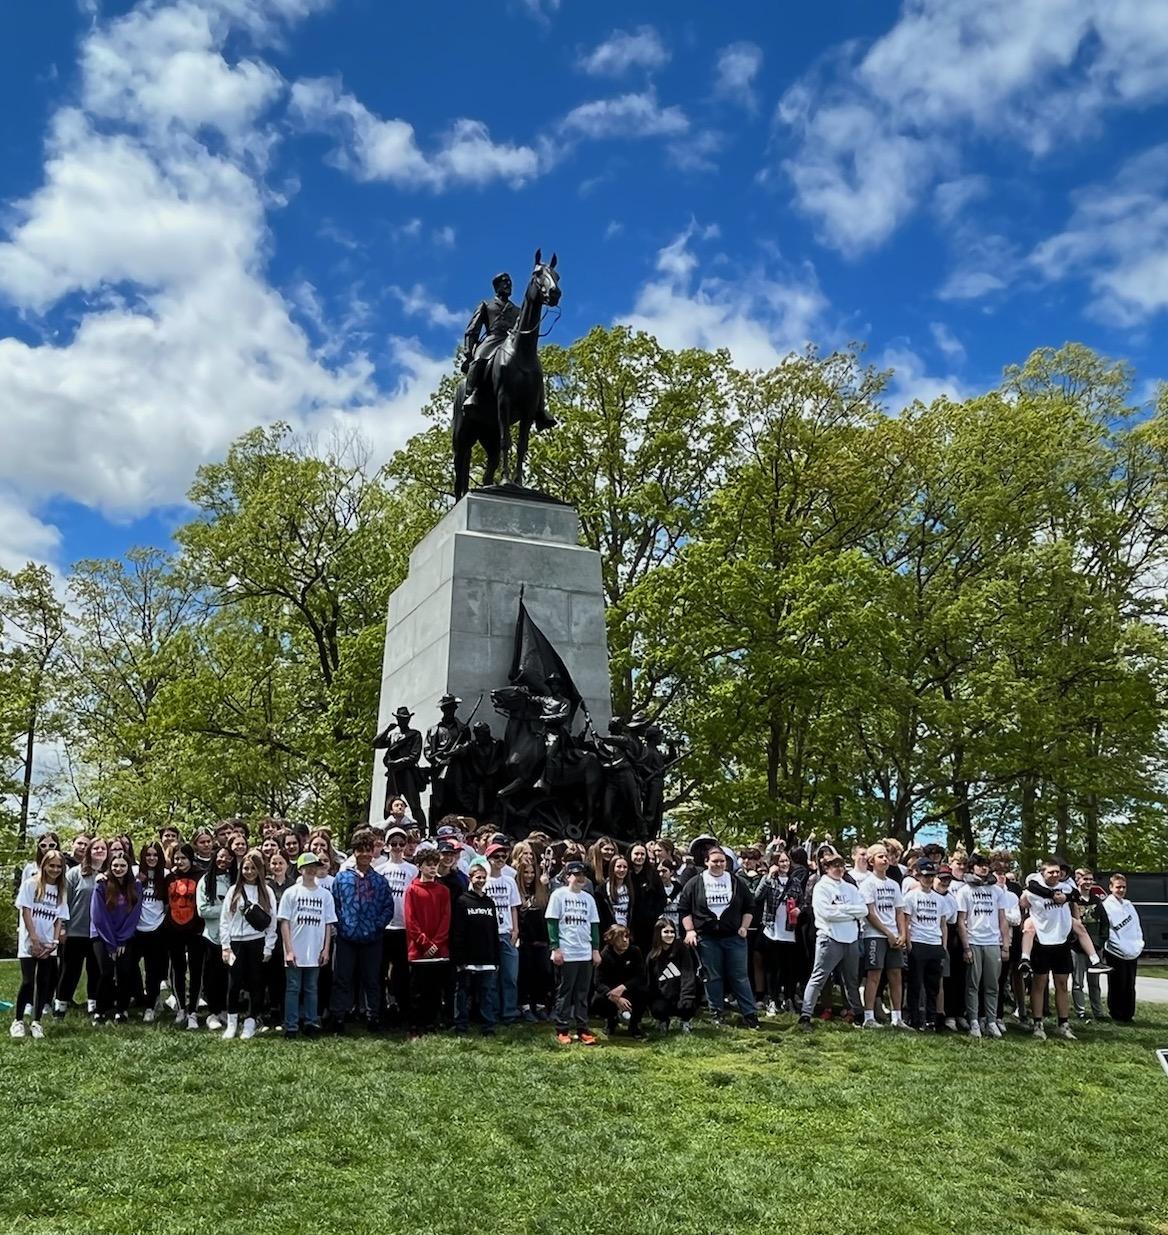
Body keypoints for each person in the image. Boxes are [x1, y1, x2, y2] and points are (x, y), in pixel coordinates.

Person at [679, 845, 760, 1029]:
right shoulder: (694, 883)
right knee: (712, 976)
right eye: (714, 861)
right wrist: (690, 930)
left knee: (740, 976)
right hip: (707, 938)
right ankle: (716, 1013)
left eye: (722, 861)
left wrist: (744, 927)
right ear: (706, 862)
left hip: (734, 937)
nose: (718, 864)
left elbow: (749, 906)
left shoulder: (736, 881)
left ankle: (750, 1014)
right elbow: (684, 909)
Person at [330, 829, 394, 1034]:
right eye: (361, 850)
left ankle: (373, 1016)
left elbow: (388, 908)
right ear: (354, 852)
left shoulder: (380, 881)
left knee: (372, 980)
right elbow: (335, 905)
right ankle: (338, 1017)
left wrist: (377, 926)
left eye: (368, 850)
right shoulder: (341, 879)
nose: (365, 854)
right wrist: (342, 926)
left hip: (372, 938)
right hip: (346, 937)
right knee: (342, 978)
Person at [797, 852, 866, 1030]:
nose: (839, 869)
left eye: (841, 865)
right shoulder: (821, 887)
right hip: (830, 938)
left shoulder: (851, 887)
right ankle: (805, 1015)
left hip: (851, 939)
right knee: (819, 976)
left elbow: (863, 910)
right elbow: (826, 913)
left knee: (851, 979)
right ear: (826, 868)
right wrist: (850, 912)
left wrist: (842, 909)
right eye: (834, 865)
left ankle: (858, 1014)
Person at [1021, 858, 1086, 1040]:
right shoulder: (1034, 889)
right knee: (1039, 983)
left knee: (1062, 983)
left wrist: (1067, 897)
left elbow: (1078, 896)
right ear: (1043, 873)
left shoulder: (1066, 889)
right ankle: (1038, 1024)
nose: (1055, 875)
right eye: (1051, 872)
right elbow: (1026, 899)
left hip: (1061, 941)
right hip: (1042, 941)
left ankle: (1063, 1024)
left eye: (1057, 872)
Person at [219, 849, 278, 1040]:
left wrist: (269, 946)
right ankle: (232, 1022)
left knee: (256, 983)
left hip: (256, 942)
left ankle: (251, 1022)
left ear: (260, 870)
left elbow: (272, 921)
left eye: (253, 868)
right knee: (233, 983)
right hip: (236, 943)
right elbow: (225, 920)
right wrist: (225, 946)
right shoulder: (233, 891)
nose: (249, 871)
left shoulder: (266, 891)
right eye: (245, 868)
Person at [11, 849, 70, 1039]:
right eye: (51, 865)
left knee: (43, 982)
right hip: (30, 942)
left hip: (48, 944)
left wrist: (53, 942)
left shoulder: (61, 889)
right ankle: (18, 1021)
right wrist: (34, 940)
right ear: (43, 865)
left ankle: (37, 1022)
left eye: (59, 866)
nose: (54, 869)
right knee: (28, 981)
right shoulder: (31, 884)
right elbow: (26, 912)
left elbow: (59, 918)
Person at [278, 852, 337, 1038]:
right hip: (295, 948)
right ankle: (292, 1025)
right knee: (293, 987)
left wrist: (326, 949)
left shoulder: (325, 895)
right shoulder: (291, 893)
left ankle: (311, 1022)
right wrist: (288, 950)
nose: (311, 870)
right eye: (308, 867)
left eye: (315, 866)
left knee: (312, 987)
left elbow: (328, 924)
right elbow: (284, 922)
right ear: (301, 869)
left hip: (316, 948)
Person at [953, 852, 1010, 1039]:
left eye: (986, 865)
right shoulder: (964, 891)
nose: (983, 868)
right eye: (979, 865)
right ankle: (974, 1021)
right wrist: (966, 947)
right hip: (974, 941)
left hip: (993, 942)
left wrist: (1005, 944)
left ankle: (991, 1021)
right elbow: (961, 921)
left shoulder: (997, 891)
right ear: (972, 868)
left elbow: (1002, 919)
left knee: (992, 985)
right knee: (972, 985)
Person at [546, 860, 601, 1045]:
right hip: (567, 951)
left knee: (582, 992)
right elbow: (552, 922)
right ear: (568, 876)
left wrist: (595, 950)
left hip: (584, 952)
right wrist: (555, 948)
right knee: (565, 991)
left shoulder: (588, 898)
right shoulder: (558, 895)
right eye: (576, 875)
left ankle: (583, 1027)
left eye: (582, 875)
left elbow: (593, 925)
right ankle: (562, 1028)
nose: (580, 878)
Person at [54, 836, 106, 1018]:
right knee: (69, 970)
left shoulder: (109, 875)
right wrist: (62, 928)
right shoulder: (75, 873)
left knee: (95, 970)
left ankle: (93, 1003)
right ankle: (60, 1004)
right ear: (89, 852)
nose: (99, 851)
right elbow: (63, 902)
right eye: (95, 848)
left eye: (103, 848)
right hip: (75, 930)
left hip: (98, 933)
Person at [859, 844, 909, 1029]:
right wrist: (887, 933)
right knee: (874, 975)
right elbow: (870, 913)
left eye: (886, 856)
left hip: (893, 936)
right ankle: (869, 1017)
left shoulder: (894, 884)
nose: (885, 859)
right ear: (871, 861)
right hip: (875, 935)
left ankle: (897, 1018)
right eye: (881, 856)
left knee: (896, 975)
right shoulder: (868, 884)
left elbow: (899, 912)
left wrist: (902, 934)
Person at [403, 848, 451, 1037]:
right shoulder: (412, 890)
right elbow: (410, 920)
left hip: (439, 951)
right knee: (417, 991)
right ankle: (415, 1026)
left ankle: (431, 1023)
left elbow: (446, 919)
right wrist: (424, 942)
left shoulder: (443, 890)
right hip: (418, 951)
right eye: (428, 864)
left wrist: (436, 943)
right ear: (420, 866)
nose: (432, 868)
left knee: (434, 990)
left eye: (435, 864)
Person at [90, 852, 143, 1024]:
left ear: (128, 867)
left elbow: (134, 916)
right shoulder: (102, 886)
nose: (118, 869)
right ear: (110, 866)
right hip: (102, 936)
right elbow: (99, 916)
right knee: (105, 972)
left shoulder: (135, 886)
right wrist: (111, 944)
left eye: (122, 866)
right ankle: (100, 1010)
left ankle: (122, 1009)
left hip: (125, 937)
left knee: (124, 972)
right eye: (115, 865)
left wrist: (122, 940)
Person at [450, 857, 501, 1035]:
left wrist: (496, 958)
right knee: (463, 993)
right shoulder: (462, 901)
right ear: (470, 878)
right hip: (468, 958)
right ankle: (461, 1025)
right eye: (477, 877)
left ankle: (488, 1026)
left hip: (487, 957)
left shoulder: (490, 903)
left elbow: (494, 931)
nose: (481, 880)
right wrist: (459, 958)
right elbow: (458, 931)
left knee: (486, 993)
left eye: (483, 877)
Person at [902, 862, 949, 1032]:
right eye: (925, 876)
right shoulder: (911, 896)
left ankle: (931, 1018)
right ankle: (914, 1018)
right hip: (918, 942)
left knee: (933, 986)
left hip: (934, 944)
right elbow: (906, 922)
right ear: (919, 876)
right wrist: (908, 944)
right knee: (915, 984)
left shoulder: (939, 899)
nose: (928, 879)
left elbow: (943, 924)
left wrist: (943, 946)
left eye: (931, 876)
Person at [380, 826, 418, 1027]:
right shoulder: (380, 870)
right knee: (381, 970)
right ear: (386, 846)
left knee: (403, 972)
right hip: (385, 928)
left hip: (405, 927)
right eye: (393, 844)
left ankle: (404, 1011)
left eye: (401, 844)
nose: (397, 847)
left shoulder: (412, 870)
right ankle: (381, 1010)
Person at [755, 853, 801, 1015]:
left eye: (786, 860)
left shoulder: (794, 882)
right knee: (772, 967)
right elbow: (757, 896)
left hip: (789, 930)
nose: (784, 864)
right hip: (772, 929)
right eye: (781, 861)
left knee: (788, 967)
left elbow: (802, 901)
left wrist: (798, 910)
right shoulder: (769, 881)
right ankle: (773, 1000)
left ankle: (789, 998)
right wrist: (768, 877)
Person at [165, 844, 204, 1028]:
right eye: (176, 858)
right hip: (174, 931)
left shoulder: (201, 876)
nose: (179, 862)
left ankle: (193, 1011)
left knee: (196, 970)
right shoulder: (170, 877)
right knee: (177, 969)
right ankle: (181, 1008)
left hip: (196, 931)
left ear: (190, 858)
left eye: (183, 858)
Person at [196, 846, 234, 1031]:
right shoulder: (205, 880)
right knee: (212, 976)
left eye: (228, 858)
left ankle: (225, 1010)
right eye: (220, 856)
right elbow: (202, 910)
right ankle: (213, 1012)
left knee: (229, 976)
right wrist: (226, 909)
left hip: (233, 936)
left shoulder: (235, 880)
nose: (223, 860)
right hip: (212, 936)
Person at [484, 843, 521, 1026]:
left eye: (503, 857)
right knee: (491, 977)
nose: (499, 860)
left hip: (507, 932)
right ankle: (493, 1012)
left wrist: (515, 930)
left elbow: (513, 907)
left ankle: (509, 1012)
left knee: (510, 976)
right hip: (488, 935)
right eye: (496, 857)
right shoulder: (482, 881)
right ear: (488, 858)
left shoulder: (510, 881)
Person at [515, 847, 553, 1022]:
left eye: (532, 872)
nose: (529, 876)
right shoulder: (517, 891)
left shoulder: (542, 891)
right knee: (525, 974)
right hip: (524, 940)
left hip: (542, 940)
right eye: (526, 873)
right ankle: (524, 1006)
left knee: (543, 974)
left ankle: (539, 1005)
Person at [134, 841, 169, 1022]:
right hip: (135, 928)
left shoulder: (166, 876)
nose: (152, 858)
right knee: (129, 967)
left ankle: (150, 1006)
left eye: (155, 855)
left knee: (153, 970)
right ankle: (139, 999)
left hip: (157, 928)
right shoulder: (135, 873)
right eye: (148, 855)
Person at [1101, 873, 1143, 1024]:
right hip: (1116, 951)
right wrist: (1121, 947)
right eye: (1118, 887)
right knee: (1118, 982)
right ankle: (1117, 1013)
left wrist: (1139, 944)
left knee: (1130, 983)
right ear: (1111, 887)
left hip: (1132, 951)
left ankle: (1128, 1013)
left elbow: (1136, 926)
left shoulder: (1128, 904)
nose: (1121, 890)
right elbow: (1108, 931)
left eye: (1124, 887)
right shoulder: (1106, 906)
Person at [645, 918, 699, 1033]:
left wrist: (686, 997)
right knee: (658, 1008)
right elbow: (650, 983)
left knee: (687, 1004)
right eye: (666, 932)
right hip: (663, 997)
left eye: (672, 932)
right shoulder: (652, 956)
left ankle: (685, 1021)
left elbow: (688, 976)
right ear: (658, 933)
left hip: (680, 995)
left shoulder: (682, 949)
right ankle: (663, 1021)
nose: (670, 935)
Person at [593, 924, 647, 1037]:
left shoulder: (635, 951)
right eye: (620, 937)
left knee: (643, 991)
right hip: (611, 993)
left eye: (627, 937)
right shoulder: (604, 954)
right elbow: (598, 982)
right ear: (612, 940)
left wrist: (623, 987)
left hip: (629, 990)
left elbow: (640, 976)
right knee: (597, 1000)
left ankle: (635, 1024)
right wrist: (615, 998)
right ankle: (611, 1021)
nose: (625, 940)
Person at [1070, 867, 1108, 1022]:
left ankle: (1098, 1011)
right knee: (1077, 982)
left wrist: (1101, 940)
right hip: (1076, 947)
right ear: (1078, 880)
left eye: (1091, 879)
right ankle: (1080, 1011)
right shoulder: (1073, 901)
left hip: (1095, 946)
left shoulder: (1096, 900)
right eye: (1085, 879)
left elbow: (1104, 922)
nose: (1088, 882)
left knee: (1095, 982)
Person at [596, 853, 634, 933]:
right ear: (612, 868)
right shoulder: (601, 889)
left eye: (625, 867)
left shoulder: (631, 888)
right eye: (619, 867)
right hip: (609, 932)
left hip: (626, 932)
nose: (622, 870)